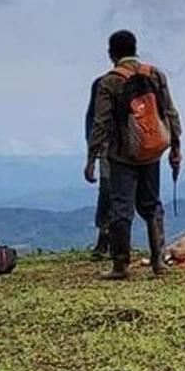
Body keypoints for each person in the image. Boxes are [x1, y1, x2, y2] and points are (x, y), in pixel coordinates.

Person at [85, 30, 183, 280]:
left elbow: (101, 123)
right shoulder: (155, 74)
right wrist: (175, 147)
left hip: (121, 154)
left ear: (111, 52)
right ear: (135, 48)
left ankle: (120, 265)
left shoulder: (110, 81)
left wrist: (92, 158)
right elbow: (170, 112)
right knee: (152, 207)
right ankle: (159, 262)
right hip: (152, 151)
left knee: (121, 208)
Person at [84, 73, 110, 260]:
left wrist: (92, 156)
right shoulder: (147, 79)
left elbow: (94, 121)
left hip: (109, 148)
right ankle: (156, 249)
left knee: (107, 192)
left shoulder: (102, 83)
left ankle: (104, 239)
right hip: (140, 151)